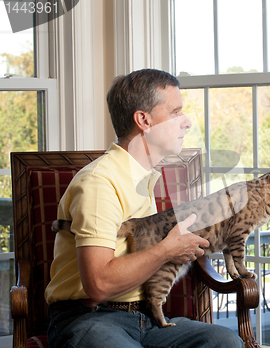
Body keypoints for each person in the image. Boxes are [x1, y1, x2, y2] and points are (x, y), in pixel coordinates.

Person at [45, 68, 244, 348]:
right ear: (143, 120)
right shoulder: (100, 182)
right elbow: (98, 284)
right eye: (175, 112)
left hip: (146, 319)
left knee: (224, 341)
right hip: (89, 319)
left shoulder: (142, 177)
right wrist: (167, 250)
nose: (186, 122)